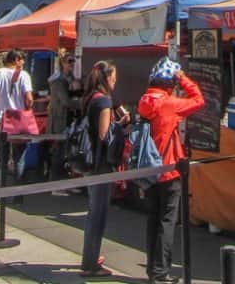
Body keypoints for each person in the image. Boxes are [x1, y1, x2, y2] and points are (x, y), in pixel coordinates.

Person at [138, 57, 204, 284]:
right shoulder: (169, 104)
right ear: (169, 82)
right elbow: (198, 100)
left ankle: (152, 270)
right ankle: (160, 273)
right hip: (168, 169)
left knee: (152, 219)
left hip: (148, 170)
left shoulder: (144, 100)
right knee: (167, 221)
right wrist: (183, 77)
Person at [81, 60, 129, 276]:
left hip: (91, 162)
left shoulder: (91, 98)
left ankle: (90, 256)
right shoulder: (104, 102)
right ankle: (90, 264)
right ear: (107, 78)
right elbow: (104, 135)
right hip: (101, 164)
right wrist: (120, 126)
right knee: (98, 214)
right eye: (114, 77)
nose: (116, 81)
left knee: (94, 211)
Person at [0, 49, 33, 173]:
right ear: (16, 60)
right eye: (22, 60)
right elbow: (29, 99)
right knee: (19, 155)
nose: (23, 63)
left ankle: (1, 186)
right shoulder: (24, 75)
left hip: (0, 118)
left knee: (2, 154)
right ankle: (17, 189)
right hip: (18, 117)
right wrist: (28, 110)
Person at [47, 53, 80, 180]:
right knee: (59, 151)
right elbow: (65, 101)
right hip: (60, 120)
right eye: (69, 61)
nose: (72, 63)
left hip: (68, 119)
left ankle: (64, 183)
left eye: (73, 61)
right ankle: (56, 184)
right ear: (63, 63)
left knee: (66, 151)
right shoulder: (58, 79)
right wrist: (82, 103)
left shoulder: (71, 78)